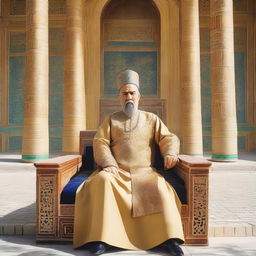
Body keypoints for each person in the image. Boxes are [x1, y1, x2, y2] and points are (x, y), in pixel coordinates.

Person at [74, 69, 184, 256]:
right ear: (119, 97)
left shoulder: (152, 119)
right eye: (125, 93)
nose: (129, 97)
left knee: (160, 186)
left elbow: (168, 138)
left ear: (139, 96)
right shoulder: (111, 120)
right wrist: (109, 164)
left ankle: (170, 239)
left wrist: (170, 152)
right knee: (102, 182)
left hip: (145, 173)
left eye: (132, 93)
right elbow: (100, 143)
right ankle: (101, 239)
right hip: (117, 172)